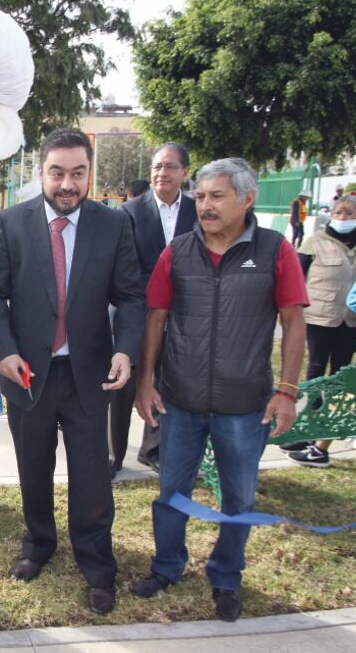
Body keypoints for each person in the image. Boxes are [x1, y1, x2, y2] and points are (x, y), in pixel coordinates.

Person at [131, 157, 307, 622]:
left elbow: (293, 321)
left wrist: (287, 390)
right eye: (200, 196)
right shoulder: (179, 251)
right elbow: (156, 318)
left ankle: (227, 577)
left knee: (239, 498)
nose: (204, 205)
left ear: (247, 199)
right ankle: (166, 566)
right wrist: (145, 382)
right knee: (172, 492)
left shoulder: (274, 250)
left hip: (244, 405)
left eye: (216, 196)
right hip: (180, 401)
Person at [0, 128, 145, 616]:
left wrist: (127, 349)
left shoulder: (113, 226)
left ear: (89, 174)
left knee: (91, 475)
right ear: (41, 173)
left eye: (77, 173)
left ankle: (97, 564)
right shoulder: (10, 222)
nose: (67, 184)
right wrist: (3, 350)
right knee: (34, 465)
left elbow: (131, 296)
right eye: (57, 173)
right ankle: (38, 544)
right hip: (27, 371)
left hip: (89, 373)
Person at [115, 144, 197, 477]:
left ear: (185, 173)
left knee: (170, 381)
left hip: (184, 314)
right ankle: (112, 454)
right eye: (157, 167)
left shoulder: (197, 212)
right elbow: (122, 267)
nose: (162, 173)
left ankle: (155, 449)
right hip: (138, 311)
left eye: (170, 167)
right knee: (123, 384)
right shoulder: (129, 212)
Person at [284, 195, 356, 467]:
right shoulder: (315, 241)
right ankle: (308, 428)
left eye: (349, 212)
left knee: (341, 374)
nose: (343, 216)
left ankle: (328, 429)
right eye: (339, 211)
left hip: (352, 320)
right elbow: (296, 277)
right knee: (315, 371)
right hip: (319, 317)